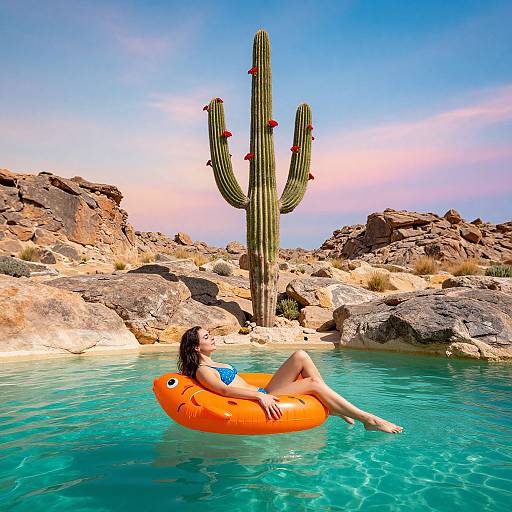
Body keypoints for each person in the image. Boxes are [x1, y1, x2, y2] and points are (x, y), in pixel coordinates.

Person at [178, 326, 403, 434]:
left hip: (263, 390)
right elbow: (223, 391)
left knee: (300, 355)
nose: (212, 337)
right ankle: (368, 418)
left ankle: (334, 407)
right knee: (313, 383)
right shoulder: (202, 369)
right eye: (207, 337)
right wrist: (259, 396)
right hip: (260, 398)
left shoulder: (214, 362)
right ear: (197, 347)